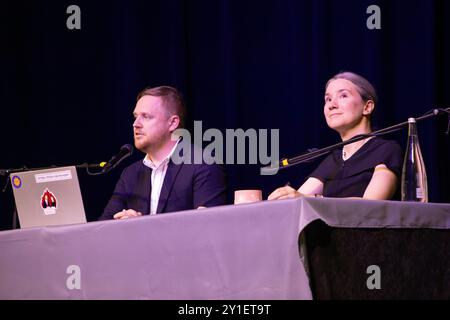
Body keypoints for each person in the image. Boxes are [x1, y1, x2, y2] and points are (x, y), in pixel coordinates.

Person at [268, 71, 402, 201]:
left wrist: (312, 199)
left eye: (343, 96)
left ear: (367, 107)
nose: (332, 105)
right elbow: (297, 199)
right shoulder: (333, 159)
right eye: (328, 99)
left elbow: (370, 204)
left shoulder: (385, 150)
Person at [99, 86, 227, 220]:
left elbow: (207, 228)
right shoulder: (130, 174)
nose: (135, 124)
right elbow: (102, 227)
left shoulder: (203, 164)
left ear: (172, 123)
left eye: (146, 117)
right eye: (136, 117)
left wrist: (140, 226)